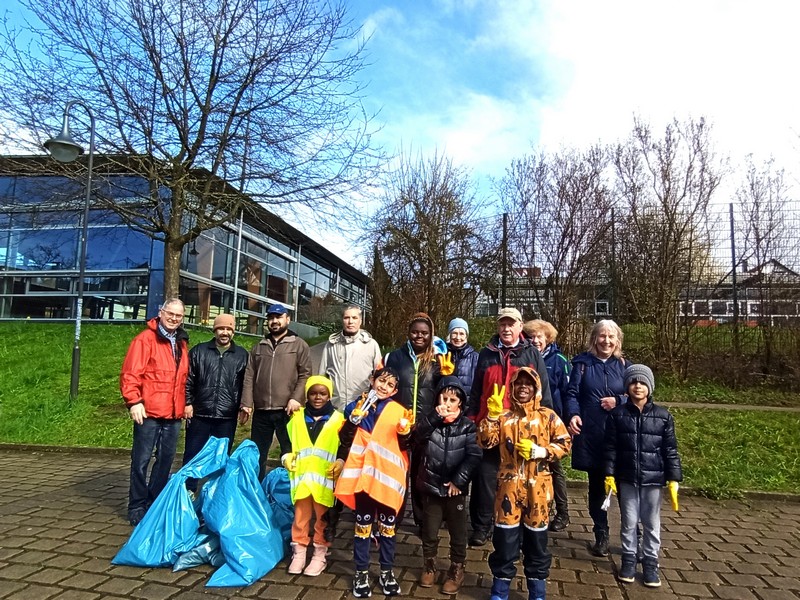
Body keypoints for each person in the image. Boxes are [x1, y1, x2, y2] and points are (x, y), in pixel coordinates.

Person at [478, 367, 571, 600]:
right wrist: (490, 416)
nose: (523, 388)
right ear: (512, 388)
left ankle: (537, 593)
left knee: (537, 545)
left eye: (528, 384)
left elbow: (565, 443)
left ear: (536, 389)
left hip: (538, 492)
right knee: (505, 543)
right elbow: (485, 441)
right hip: (507, 491)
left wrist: (542, 452)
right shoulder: (505, 417)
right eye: (518, 384)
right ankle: (499, 591)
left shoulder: (548, 416)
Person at [466, 307, 553, 547]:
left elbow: (542, 389)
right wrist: (473, 417)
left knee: (517, 479)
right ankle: (481, 526)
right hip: (491, 425)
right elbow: (476, 390)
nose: (506, 328)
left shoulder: (531, 354)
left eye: (511, 324)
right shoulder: (486, 354)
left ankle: (518, 524)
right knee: (485, 478)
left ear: (519, 327)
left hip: (520, 429)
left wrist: (544, 425)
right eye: (502, 324)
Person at [334, 367, 413, 598]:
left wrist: (406, 431)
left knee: (388, 530)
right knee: (362, 529)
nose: (384, 387)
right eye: (381, 381)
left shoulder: (399, 411)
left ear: (395, 390)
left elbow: (406, 445)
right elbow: (345, 439)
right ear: (372, 380)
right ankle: (361, 572)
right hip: (362, 480)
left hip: (387, 480)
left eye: (390, 385)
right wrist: (351, 421)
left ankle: (387, 571)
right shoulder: (355, 406)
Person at [604, 364, 682, 588]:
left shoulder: (663, 416)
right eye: (633, 382)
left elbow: (670, 450)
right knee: (629, 522)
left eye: (642, 382)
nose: (637, 386)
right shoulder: (617, 415)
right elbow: (610, 448)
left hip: (653, 480)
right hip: (627, 477)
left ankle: (650, 562)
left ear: (650, 386)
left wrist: (674, 478)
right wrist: (609, 474)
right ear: (627, 387)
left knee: (651, 522)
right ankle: (628, 559)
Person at [120, 297, 189, 526]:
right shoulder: (145, 340)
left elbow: (182, 378)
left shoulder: (181, 342)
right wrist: (134, 401)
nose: (174, 318)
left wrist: (185, 404)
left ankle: (154, 502)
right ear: (161, 312)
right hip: (148, 411)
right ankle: (137, 505)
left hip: (173, 413)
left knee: (166, 460)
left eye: (178, 315)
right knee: (141, 460)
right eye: (170, 313)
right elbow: (131, 374)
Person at [565, 319, 630, 557]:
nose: (607, 341)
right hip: (592, 435)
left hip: (620, 437)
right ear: (594, 339)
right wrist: (572, 414)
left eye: (611, 337)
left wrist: (618, 401)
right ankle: (600, 533)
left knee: (624, 488)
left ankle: (632, 536)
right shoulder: (582, 364)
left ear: (618, 340)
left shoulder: (624, 365)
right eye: (602, 336)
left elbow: (638, 394)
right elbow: (572, 393)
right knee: (596, 488)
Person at [384, 312, 454, 526]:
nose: (419, 336)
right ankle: (390, 519)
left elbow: (446, 391)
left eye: (424, 333)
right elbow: (383, 387)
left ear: (431, 334)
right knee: (395, 474)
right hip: (398, 425)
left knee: (421, 477)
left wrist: (448, 375)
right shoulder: (394, 357)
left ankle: (423, 521)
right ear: (408, 333)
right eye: (415, 332)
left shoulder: (437, 359)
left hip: (426, 425)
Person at [415, 376, 482, 595]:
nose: (447, 403)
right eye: (444, 398)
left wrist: (459, 481)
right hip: (431, 486)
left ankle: (456, 568)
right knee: (430, 530)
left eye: (453, 400)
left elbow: (473, 455)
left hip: (455, 489)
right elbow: (417, 436)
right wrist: (434, 417)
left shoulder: (468, 426)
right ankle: (429, 564)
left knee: (458, 532)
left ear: (460, 403)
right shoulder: (431, 420)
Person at [283, 375, 345, 577]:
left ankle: (319, 554)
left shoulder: (338, 419)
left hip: (325, 481)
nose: (317, 397)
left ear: (329, 396)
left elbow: (344, 446)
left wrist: (341, 462)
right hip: (301, 478)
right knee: (300, 518)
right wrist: (286, 456)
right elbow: (287, 441)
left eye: (322, 393)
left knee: (323, 519)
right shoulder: (297, 417)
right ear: (307, 395)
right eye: (313, 393)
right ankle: (299, 552)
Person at [241, 303, 312, 479]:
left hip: (288, 411)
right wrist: (246, 403)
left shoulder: (299, 345)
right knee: (258, 456)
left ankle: (290, 495)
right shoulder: (259, 347)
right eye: (271, 318)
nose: (274, 321)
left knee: (289, 454)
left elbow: (305, 374)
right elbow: (249, 376)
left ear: (287, 319)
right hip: (262, 411)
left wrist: (296, 398)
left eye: (278, 317)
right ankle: (258, 495)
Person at [182, 313, 249, 491]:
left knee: (221, 459)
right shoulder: (199, 351)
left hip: (227, 417)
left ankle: (215, 495)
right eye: (221, 328)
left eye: (228, 329)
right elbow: (188, 379)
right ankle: (189, 491)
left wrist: (245, 405)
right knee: (192, 455)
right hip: (199, 414)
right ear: (215, 330)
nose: (224, 332)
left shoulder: (242, 355)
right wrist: (187, 403)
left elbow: (246, 384)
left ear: (233, 331)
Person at [523, 319, 571, 532]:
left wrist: (568, 420)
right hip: (526, 421)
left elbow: (569, 392)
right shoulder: (524, 356)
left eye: (539, 337)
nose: (535, 341)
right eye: (531, 337)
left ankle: (563, 511)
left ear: (547, 339)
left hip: (551, 421)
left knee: (554, 465)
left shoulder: (559, 360)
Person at [319, 304, 382, 411]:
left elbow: (379, 376)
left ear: (360, 321)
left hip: (362, 408)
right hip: (335, 408)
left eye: (354, 318)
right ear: (342, 320)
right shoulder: (331, 345)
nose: (350, 321)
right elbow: (321, 376)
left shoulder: (371, 345)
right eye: (346, 318)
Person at [446, 317, 479, 398]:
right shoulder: (442, 355)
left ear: (466, 336)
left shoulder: (475, 357)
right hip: (446, 404)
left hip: (468, 406)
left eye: (461, 334)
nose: (458, 338)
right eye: (454, 333)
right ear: (449, 335)